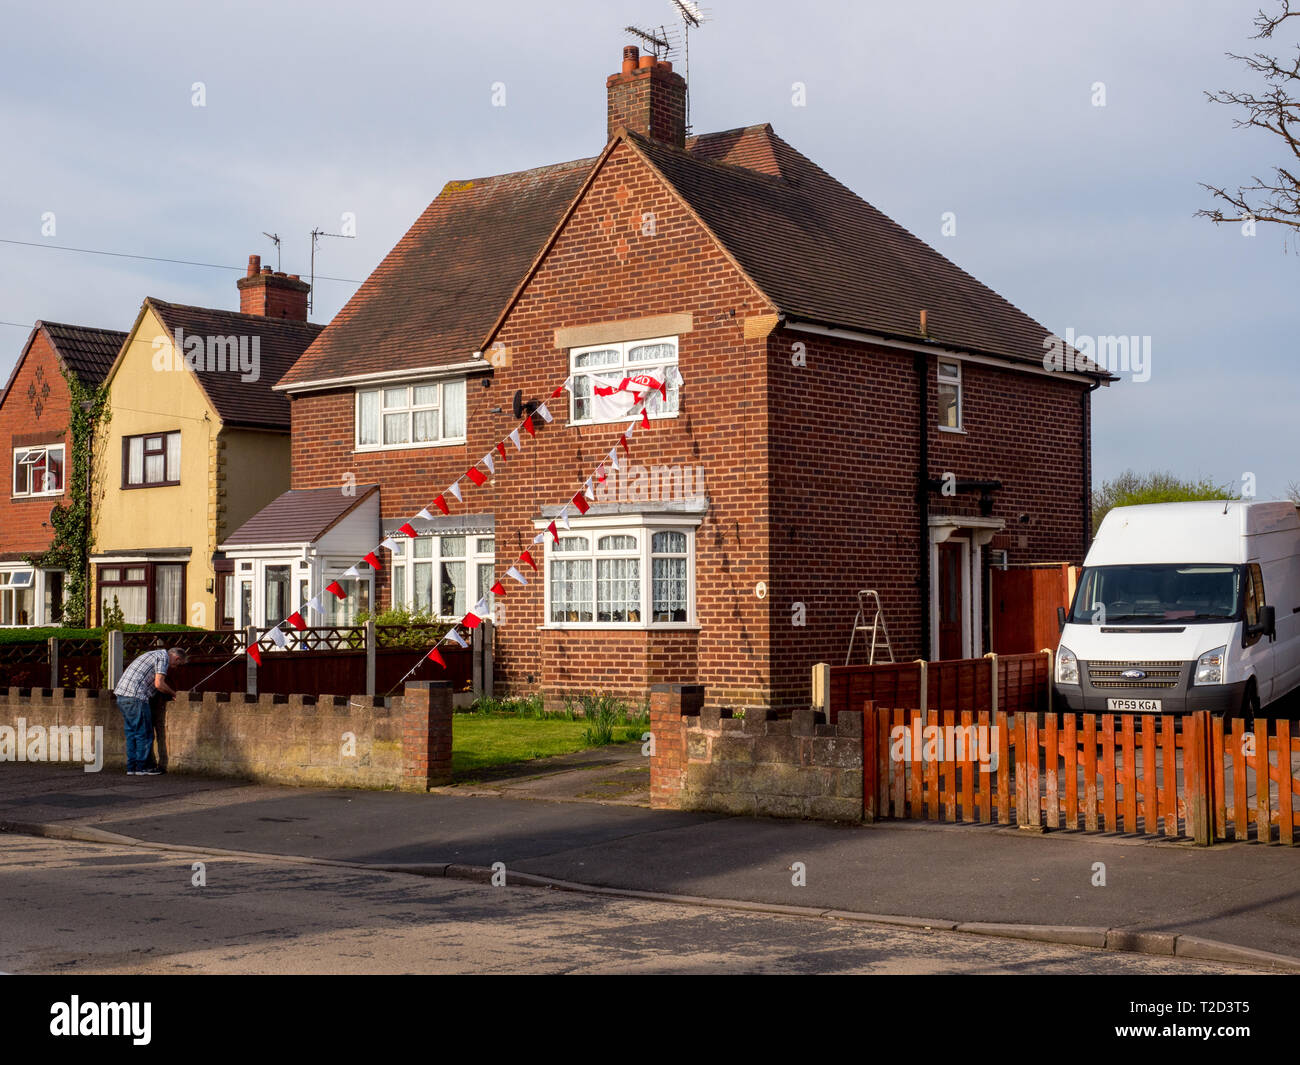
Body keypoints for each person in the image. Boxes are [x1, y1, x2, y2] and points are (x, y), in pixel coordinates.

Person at [113, 646, 185, 776]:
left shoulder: (153, 654)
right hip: (136, 697)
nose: (175, 667)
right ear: (177, 657)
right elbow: (159, 684)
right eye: (177, 664)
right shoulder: (163, 658)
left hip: (122, 696)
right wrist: (174, 694)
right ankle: (144, 767)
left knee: (132, 734)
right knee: (144, 733)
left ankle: (132, 767)